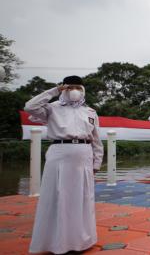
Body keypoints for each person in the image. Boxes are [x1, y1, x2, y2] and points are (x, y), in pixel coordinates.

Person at [25, 76, 103, 254]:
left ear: (82, 89)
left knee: (83, 198)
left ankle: (82, 240)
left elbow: (97, 140)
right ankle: (56, 242)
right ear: (64, 88)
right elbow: (30, 106)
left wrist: (97, 163)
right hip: (59, 154)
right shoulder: (52, 108)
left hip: (84, 155)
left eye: (78, 86)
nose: (74, 90)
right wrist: (55, 91)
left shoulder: (90, 112)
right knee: (57, 197)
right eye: (70, 86)